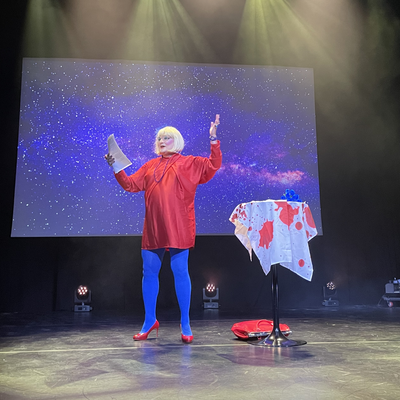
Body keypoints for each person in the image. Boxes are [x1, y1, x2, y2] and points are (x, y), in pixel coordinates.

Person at [105, 115, 222, 343]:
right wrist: (116, 167)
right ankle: (149, 321)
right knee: (148, 273)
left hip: (179, 226)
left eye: (166, 137)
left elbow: (213, 165)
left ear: (176, 141)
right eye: (159, 138)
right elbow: (130, 184)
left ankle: (185, 323)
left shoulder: (190, 163)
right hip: (154, 227)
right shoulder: (150, 166)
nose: (161, 141)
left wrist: (213, 139)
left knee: (180, 272)